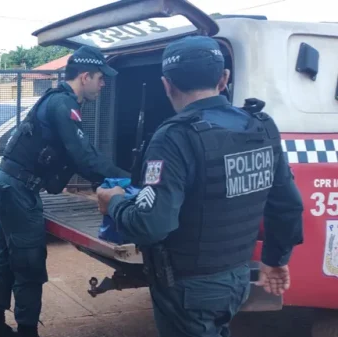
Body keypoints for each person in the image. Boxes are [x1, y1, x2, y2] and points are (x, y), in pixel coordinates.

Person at [96, 36, 305, 337]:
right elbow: (287, 205)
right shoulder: (261, 126)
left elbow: (151, 224)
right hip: (236, 278)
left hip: (188, 288)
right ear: (224, 79)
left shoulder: (174, 137)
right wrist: (275, 260)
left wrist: (113, 202)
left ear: (167, 84)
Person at [0, 44, 130, 337]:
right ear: (85, 76)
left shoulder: (58, 102)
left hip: (7, 184)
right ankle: (25, 331)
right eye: (101, 77)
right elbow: (85, 158)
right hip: (17, 190)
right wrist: (132, 179)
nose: (103, 84)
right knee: (28, 264)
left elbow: (79, 156)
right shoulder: (63, 105)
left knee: (6, 259)